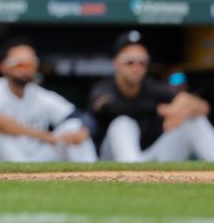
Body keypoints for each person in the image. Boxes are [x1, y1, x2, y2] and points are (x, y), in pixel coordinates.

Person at [89, 30, 214, 162]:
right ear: (116, 63)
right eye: (130, 62)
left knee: (194, 121)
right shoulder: (104, 87)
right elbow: (110, 108)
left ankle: (138, 177)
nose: (136, 68)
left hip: (147, 161)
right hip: (109, 163)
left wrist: (180, 110)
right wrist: (160, 110)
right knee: (123, 123)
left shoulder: (151, 88)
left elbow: (203, 107)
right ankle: (133, 176)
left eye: (142, 62)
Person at [0, 39, 98, 162]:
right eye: (19, 64)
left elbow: (79, 116)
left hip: (35, 156)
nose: (25, 69)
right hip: (1, 159)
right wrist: (44, 136)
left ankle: (93, 176)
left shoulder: (40, 95)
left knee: (74, 126)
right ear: (4, 67)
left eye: (30, 64)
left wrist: (83, 131)